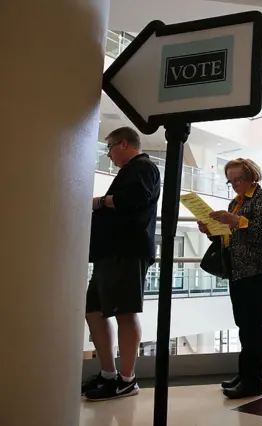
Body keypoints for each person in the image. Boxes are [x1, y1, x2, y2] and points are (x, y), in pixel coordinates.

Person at [82, 127, 161, 401]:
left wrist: (99, 202)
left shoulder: (144, 168)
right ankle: (108, 373)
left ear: (124, 144)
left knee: (124, 311)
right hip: (112, 252)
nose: (109, 154)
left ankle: (127, 379)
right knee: (93, 309)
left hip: (126, 252)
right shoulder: (133, 171)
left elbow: (134, 200)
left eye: (110, 147)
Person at [197, 158, 262, 399]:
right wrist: (211, 230)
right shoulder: (234, 202)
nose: (234, 185)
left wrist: (235, 221)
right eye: (230, 181)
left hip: (256, 270)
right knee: (244, 326)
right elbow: (230, 237)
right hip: (238, 270)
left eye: (238, 179)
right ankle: (245, 374)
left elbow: (260, 233)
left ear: (252, 175)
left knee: (254, 328)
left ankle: (253, 381)